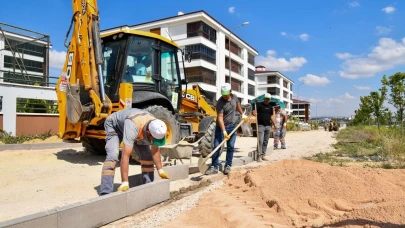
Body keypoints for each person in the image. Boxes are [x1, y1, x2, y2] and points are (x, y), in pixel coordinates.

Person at [100, 108, 169, 195]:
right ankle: (105, 192)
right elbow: (125, 155)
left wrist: (160, 170)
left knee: (147, 157)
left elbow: (155, 150)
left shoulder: (156, 126)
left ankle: (148, 186)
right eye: (153, 139)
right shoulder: (133, 126)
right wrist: (125, 182)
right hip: (114, 126)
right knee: (113, 155)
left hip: (135, 129)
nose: (154, 141)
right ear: (148, 133)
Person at [205, 83, 248, 175]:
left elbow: (237, 105)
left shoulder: (235, 97)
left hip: (232, 126)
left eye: (226, 94)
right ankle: (214, 167)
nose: (224, 96)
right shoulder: (220, 103)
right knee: (217, 146)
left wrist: (242, 114)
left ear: (230, 92)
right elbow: (220, 117)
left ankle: (228, 165)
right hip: (221, 127)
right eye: (223, 94)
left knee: (231, 147)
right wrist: (224, 131)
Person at [252, 93, 276, 162]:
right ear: (264, 98)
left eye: (268, 99)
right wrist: (254, 113)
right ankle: (259, 156)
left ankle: (263, 155)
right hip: (260, 125)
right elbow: (253, 112)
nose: (267, 100)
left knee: (265, 141)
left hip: (268, 126)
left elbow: (271, 116)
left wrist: (274, 124)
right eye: (266, 99)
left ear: (269, 100)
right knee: (260, 141)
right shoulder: (259, 105)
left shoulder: (270, 107)